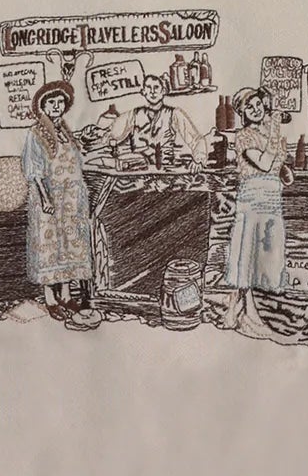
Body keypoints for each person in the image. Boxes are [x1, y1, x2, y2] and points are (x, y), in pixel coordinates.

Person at [21, 81, 99, 328]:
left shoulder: (66, 131)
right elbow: (34, 171)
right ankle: (50, 298)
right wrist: (45, 199)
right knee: (50, 246)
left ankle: (66, 295)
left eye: (60, 102)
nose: (56, 106)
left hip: (71, 198)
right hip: (51, 197)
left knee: (70, 245)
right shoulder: (36, 133)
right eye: (51, 103)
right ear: (42, 107)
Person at [222, 87, 291, 320]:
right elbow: (263, 162)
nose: (255, 109)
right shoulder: (244, 136)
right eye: (249, 107)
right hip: (253, 196)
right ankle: (245, 308)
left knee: (267, 250)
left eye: (258, 104)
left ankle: (247, 309)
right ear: (242, 113)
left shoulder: (267, 133)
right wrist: (275, 128)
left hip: (272, 195)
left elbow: (275, 164)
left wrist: (285, 172)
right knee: (248, 249)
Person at [106, 73, 202, 163]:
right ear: (143, 92)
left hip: (165, 168)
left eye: (156, 87)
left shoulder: (174, 114)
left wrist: (199, 159)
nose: (152, 92)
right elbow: (113, 135)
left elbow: (196, 139)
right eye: (148, 87)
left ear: (163, 91)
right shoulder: (133, 114)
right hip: (138, 167)